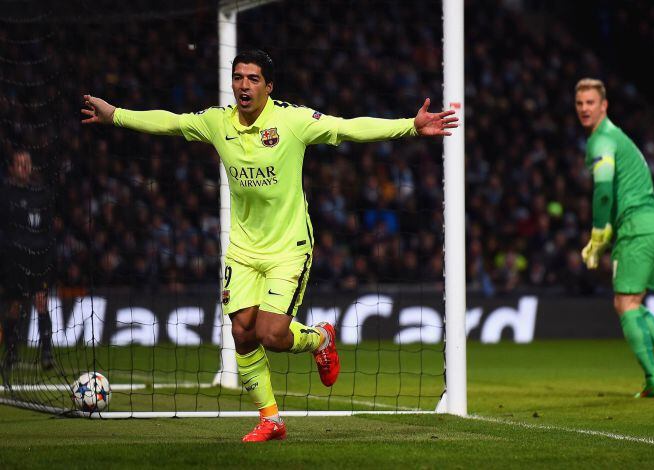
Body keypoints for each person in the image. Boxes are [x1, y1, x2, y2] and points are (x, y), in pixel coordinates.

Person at [81, 49, 457, 441]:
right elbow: (170, 123)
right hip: (243, 250)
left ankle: (321, 338)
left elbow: (348, 128)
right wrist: (115, 115)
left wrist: (410, 127)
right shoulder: (217, 122)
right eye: (238, 77)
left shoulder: (292, 121)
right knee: (242, 333)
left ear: (269, 86)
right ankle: (271, 419)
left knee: (272, 335)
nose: (244, 85)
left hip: (288, 247)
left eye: (253, 79)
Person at [575, 78, 654, 398]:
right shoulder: (621, 139)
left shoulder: (601, 141)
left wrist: (598, 232)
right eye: (580, 103)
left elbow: (603, 190)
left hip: (638, 226)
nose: (585, 108)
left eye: (591, 102)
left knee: (624, 303)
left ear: (604, 106)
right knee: (633, 303)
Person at [1, 150, 56, 372]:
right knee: (14, 306)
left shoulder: (41, 194)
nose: (24, 167)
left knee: (41, 301)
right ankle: (12, 352)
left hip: (39, 259)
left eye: (27, 164)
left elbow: (49, 229)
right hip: (14, 259)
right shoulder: (5, 195)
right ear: (12, 168)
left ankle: (46, 353)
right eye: (20, 164)